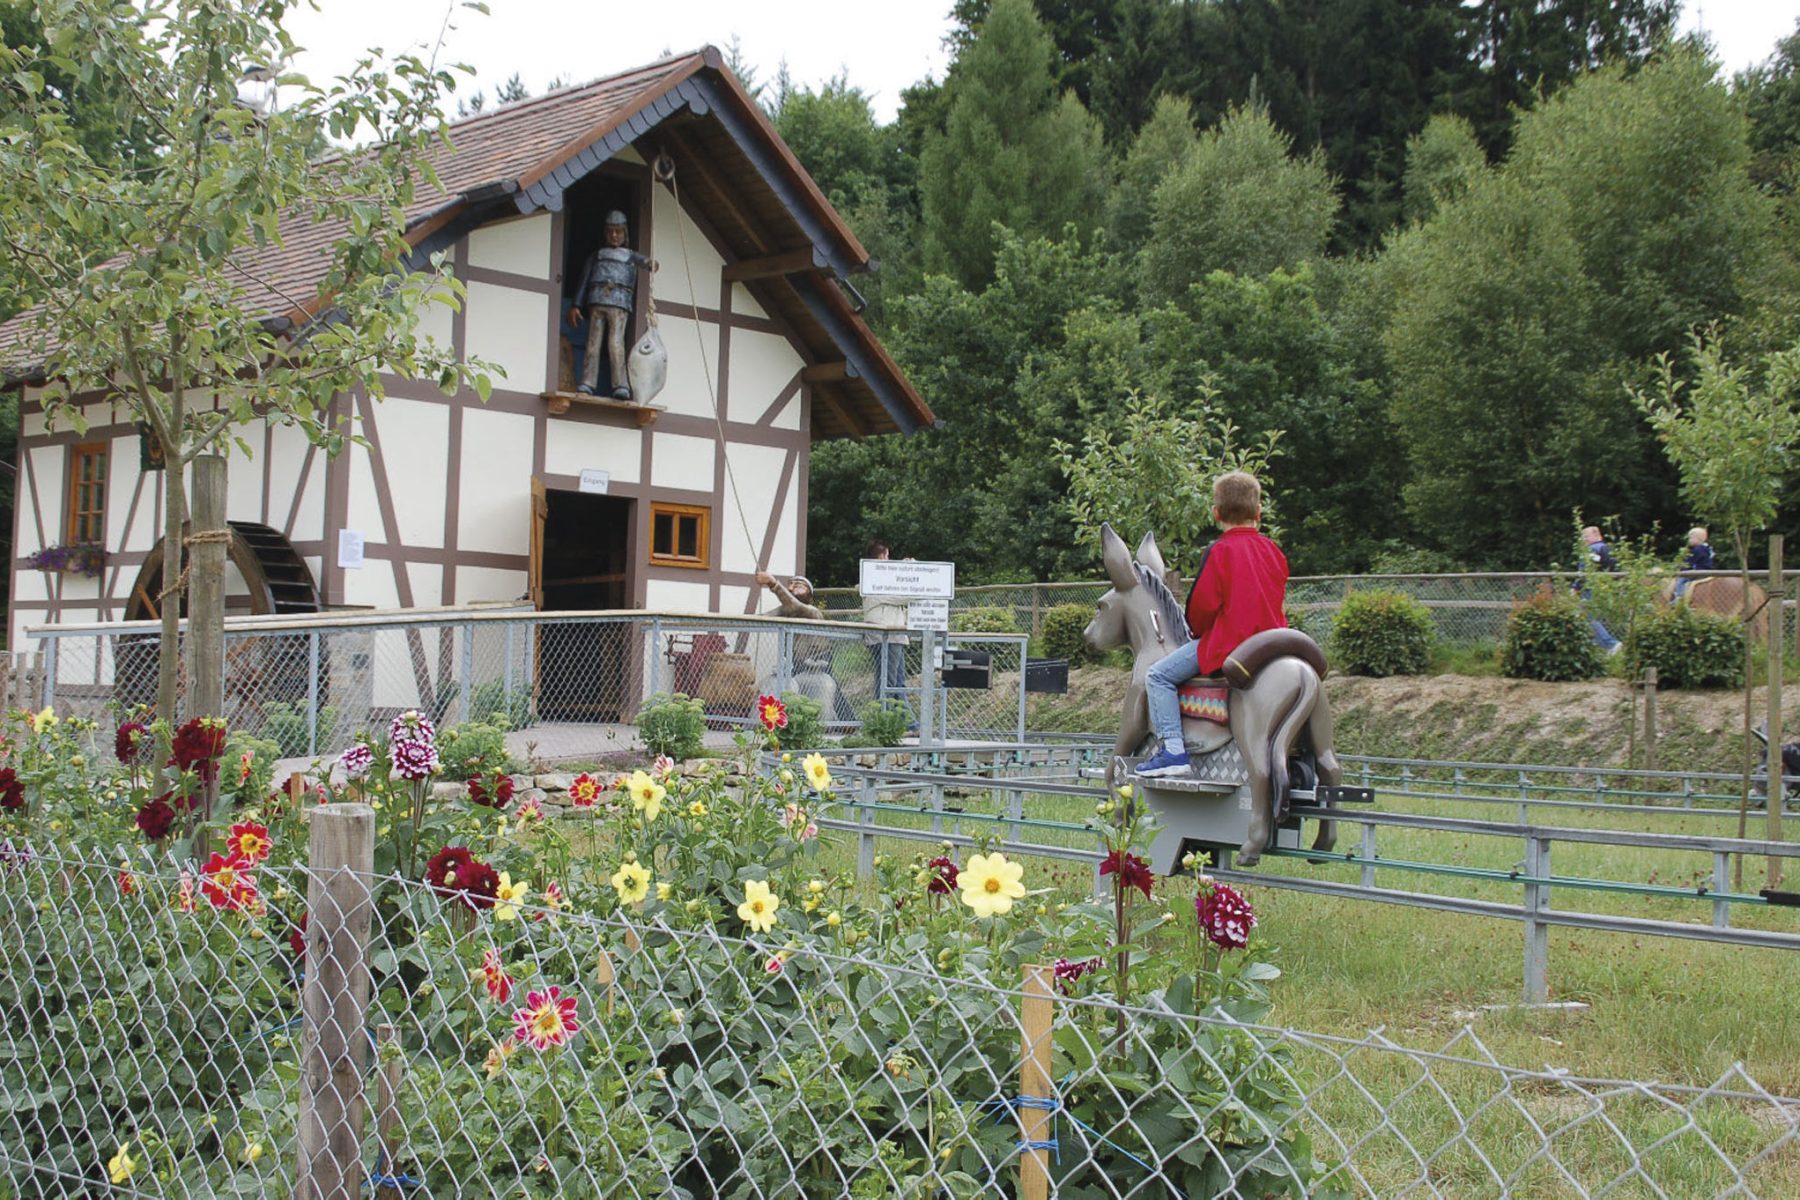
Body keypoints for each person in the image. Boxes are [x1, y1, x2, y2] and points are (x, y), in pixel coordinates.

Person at [1137, 472, 1289, 778]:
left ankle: (1173, 752)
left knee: (1157, 677)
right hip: (1273, 647)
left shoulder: (1220, 552)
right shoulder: (1274, 552)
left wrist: (1197, 631)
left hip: (1231, 648)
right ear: (1258, 512)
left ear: (1216, 514)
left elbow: (1202, 608)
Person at [571, 211, 657, 399]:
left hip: (619, 302)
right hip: (597, 300)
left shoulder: (630, 256)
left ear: (625, 233)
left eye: (618, 231)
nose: (614, 235)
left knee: (616, 344)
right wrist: (576, 304)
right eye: (611, 231)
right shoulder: (597, 256)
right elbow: (584, 280)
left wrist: (651, 263)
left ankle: (620, 385)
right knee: (593, 344)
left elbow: (645, 262)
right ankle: (587, 382)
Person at [860, 540, 910, 707]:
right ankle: (883, 718)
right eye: (888, 556)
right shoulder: (873, 581)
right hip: (884, 636)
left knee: (898, 681)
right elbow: (902, 597)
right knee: (887, 680)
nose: (889, 560)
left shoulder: (880, 580)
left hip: (895, 635)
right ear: (882, 556)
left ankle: (907, 722)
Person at [1574, 525, 1621, 653]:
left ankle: (1611, 644)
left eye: (1586, 536)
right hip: (1607, 588)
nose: (1584, 539)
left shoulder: (1592, 549)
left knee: (1589, 617)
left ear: (1597, 535)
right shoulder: (1608, 549)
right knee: (1600, 618)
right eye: (1583, 537)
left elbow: (1585, 570)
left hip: (1591, 588)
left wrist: (1575, 588)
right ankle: (1600, 648)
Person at [1675, 526, 1714, 599]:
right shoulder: (1707, 548)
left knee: (1681, 580)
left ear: (1698, 539)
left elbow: (1691, 562)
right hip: (1707, 569)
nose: (1689, 540)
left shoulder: (1698, 549)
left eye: (1691, 538)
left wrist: (1683, 568)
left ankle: (1679, 598)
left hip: (1699, 570)